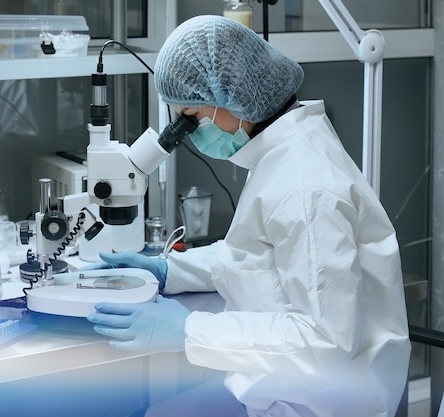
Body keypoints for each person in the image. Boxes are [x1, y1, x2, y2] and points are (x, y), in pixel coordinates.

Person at [83, 15, 411, 417]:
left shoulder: (305, 187)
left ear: (231, 96)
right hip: (282, 387)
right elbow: (259, 258)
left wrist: (189, 330)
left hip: (319, 405)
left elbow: (324, 341)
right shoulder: (284, 152)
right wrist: (170, 270)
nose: (187, 133)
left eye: (190, 119)